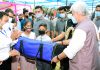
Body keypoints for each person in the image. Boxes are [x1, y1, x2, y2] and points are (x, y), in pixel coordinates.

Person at [51, 1, 100, 70]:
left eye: (72, 13)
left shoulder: (81, 28)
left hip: (82, 66)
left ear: (77, 13)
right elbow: (81, 41)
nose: (72, 16)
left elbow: (70, 51)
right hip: (94, 63)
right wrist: (62, 42)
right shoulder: (91, 24)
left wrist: (57, 58)